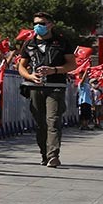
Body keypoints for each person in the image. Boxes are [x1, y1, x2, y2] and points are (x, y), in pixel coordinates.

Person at [16, 12, 76, 168]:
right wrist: (29, 76)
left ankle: (53, 155)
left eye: (42, 23)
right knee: (40, 123)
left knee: (53, 120)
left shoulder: (62, 42)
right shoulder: (29, 44)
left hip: (55, 86)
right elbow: (21, 66)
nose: (38, 26)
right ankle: (44, 153)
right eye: (36, 23)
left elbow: (72, 64)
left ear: (51, 24)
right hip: (35, 87)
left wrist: (54, 70)